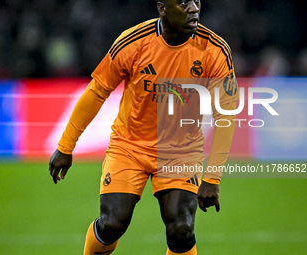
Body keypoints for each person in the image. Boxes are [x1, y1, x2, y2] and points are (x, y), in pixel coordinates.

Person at [49, 0, 238, 254]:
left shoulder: (215, 50)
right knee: (112, 224)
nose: (194, 8)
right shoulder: (133, 42)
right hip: (130, 146)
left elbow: (225, 115)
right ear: (162, 8)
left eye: (196, 1)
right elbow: (96, 92)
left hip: (180, 151)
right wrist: (65, 146)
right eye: (183, 2)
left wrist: (212, 177)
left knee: (181, 227)